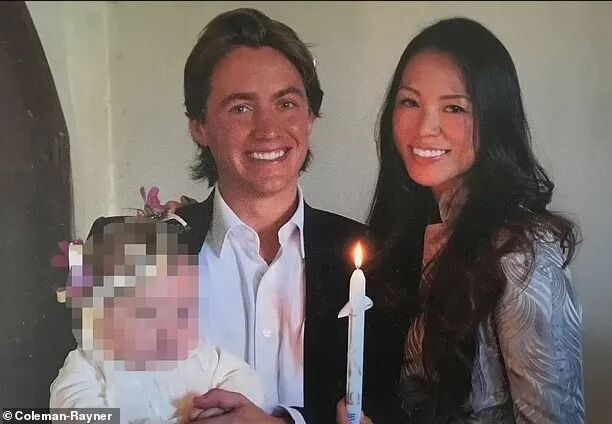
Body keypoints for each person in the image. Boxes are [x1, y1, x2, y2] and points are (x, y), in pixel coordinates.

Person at [164, 7, 409, 424]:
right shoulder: (147, 252)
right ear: (199, 126)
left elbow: (393, 409)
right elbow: (91, 401)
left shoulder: (373, 258)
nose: (268, 129)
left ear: (310, 118)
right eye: (241, 108)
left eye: (287, 103)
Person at [339, 17, 585, 423]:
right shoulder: (409, 229)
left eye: (454, 108)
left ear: (494, 119)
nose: (425, 128)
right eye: (410, 102)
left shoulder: (521, 251)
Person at [50, 218, 265, 423]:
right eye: (149, 312)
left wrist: (221, 409)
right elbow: (73, 408)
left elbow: (244, 379)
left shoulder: (198, 352)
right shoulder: (89, 363)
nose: (169, 326)